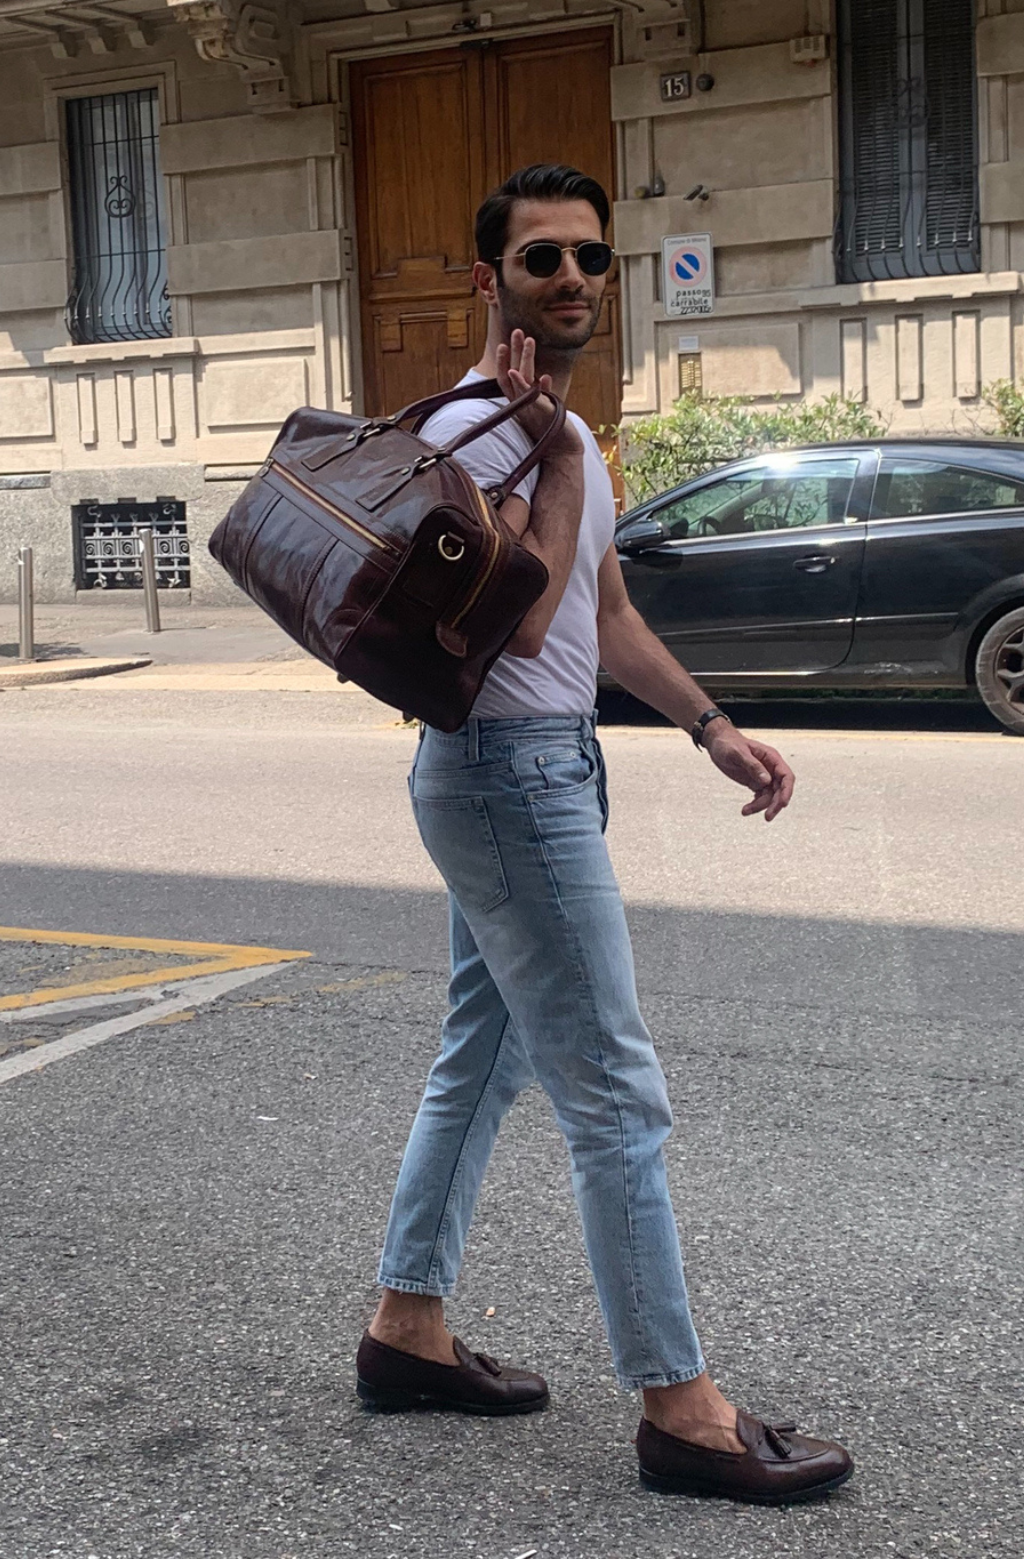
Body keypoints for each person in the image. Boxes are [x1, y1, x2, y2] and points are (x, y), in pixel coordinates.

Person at [356, 164, 853, 1505]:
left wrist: (711, 726)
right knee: (617, 1097)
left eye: (590, 257)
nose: (572, 279)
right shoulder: (480, 438)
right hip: (506, 778)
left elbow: (604, 614)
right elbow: (521, 626)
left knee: (485, 1053)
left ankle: (408, 1326)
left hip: (536, 770)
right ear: (490, 281)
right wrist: (558, 456)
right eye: (542, 260)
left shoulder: (564, 431)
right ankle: (681, 1409)